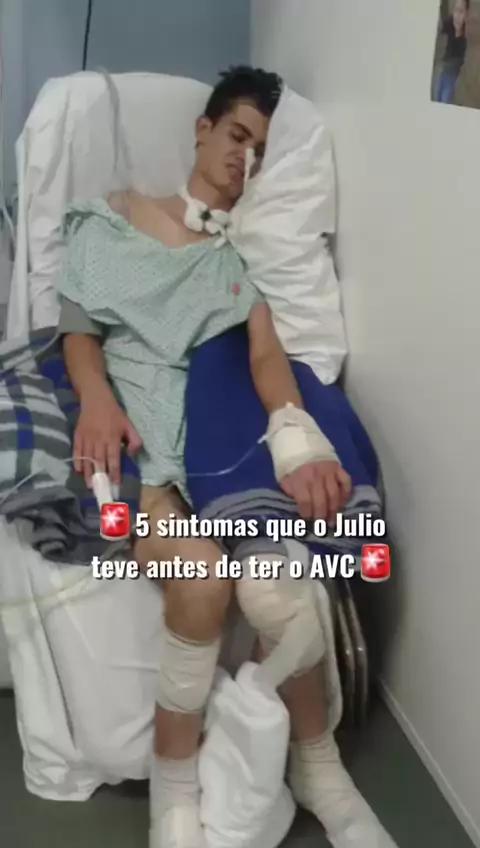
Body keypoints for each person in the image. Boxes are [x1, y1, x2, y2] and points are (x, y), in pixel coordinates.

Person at [57, 67, 397, 848]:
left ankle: (321, 772)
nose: (245, 157)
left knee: (282, 591)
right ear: (203, 130)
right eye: (237, 135)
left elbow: (268, 359)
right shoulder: (116, 218)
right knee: (204, 581)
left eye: (262, 151)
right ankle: (173, 791)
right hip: (145, 454)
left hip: (218, 451)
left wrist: (296, 437)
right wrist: (97, 398)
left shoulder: (237, 263)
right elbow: (79, 328)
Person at [435, 0, 470, 104]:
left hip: (454, 70)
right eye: (455, 10)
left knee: (445, 97)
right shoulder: (448, 24)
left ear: (466, 14)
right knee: (438, 94)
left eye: (461, 11)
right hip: (444, 67)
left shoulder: (467, 33)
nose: (457, 15)